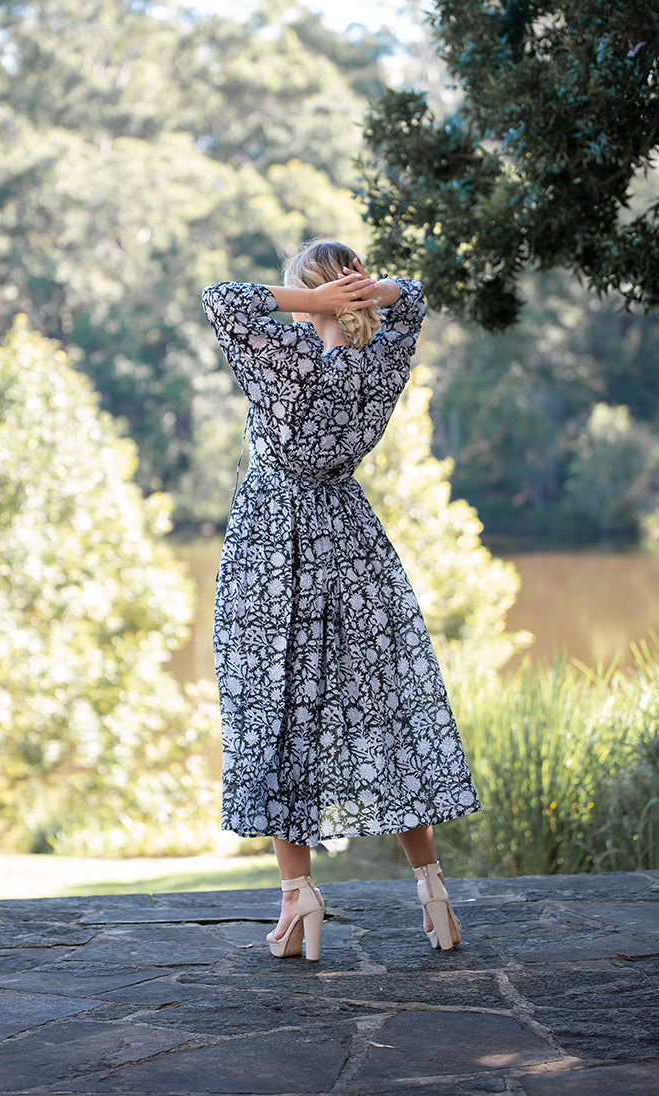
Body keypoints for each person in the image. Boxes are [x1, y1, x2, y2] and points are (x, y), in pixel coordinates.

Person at [201, 240, 481, 962]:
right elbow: (412, 294)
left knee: (276, 709)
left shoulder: (288, 356)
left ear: (311, 295)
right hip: (350, 540)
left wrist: (317, 304)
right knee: (386, 710)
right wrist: (362, 298)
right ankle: (433, 888)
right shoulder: (381, 356)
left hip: (273, 545)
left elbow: (220, 297)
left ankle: (300, 897)